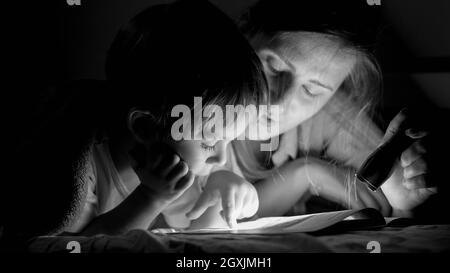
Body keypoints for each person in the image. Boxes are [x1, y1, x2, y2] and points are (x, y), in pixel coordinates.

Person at [2, 0, 267, 239]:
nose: (221, 158)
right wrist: (151, 198)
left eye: (229, 140)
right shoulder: (79, 170)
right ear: (146, 127)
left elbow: (195, 229)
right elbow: (74, 246)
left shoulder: (176, 163)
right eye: (210, 141)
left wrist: (222, 190)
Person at [186, 0, 437, 227]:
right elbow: (202, 226)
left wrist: (402, 201)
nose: (280, 103)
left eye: (311, 90)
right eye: (273, 68)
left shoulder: (328, 111)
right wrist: (303, 175)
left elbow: (386, 199)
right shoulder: (195, 114)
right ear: (243, 36)